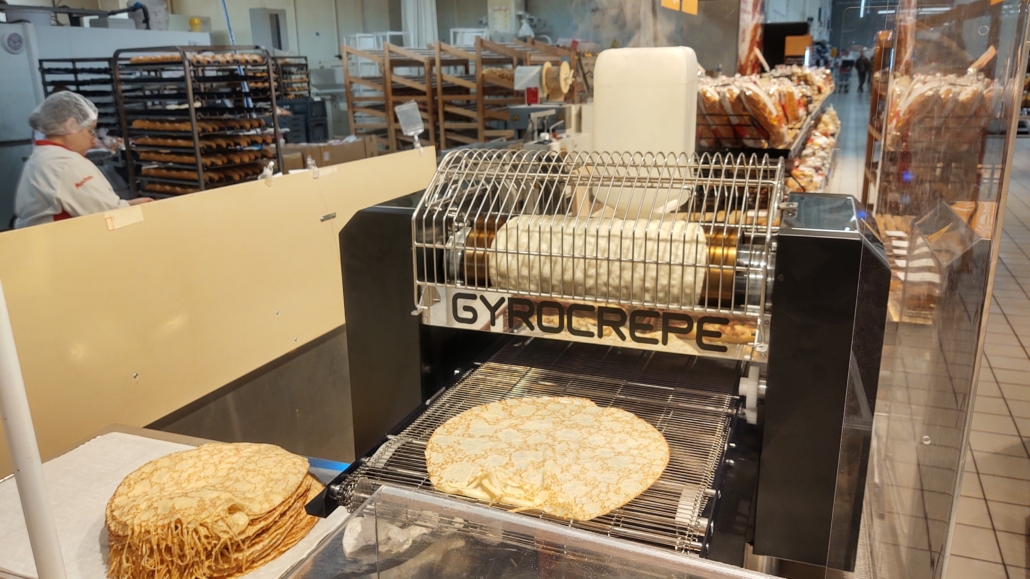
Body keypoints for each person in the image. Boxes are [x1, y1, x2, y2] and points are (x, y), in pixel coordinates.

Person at [13, 92, 151, 229]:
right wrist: (142, 212)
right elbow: (106, 216)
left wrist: (129, 205)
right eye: (90, 130)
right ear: (71, 125)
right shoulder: (66, 163)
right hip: (62, 239)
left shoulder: (42, 156)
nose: (93, 140)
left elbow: (95, 206)